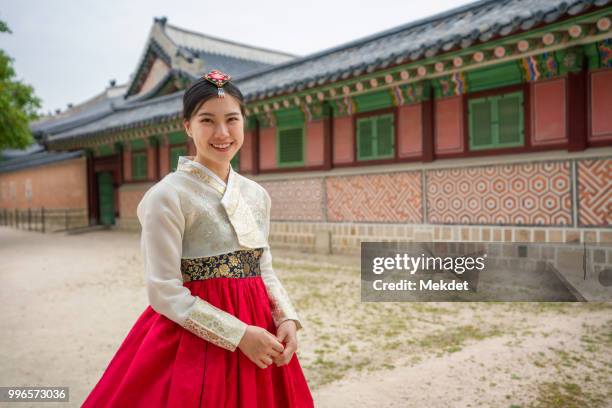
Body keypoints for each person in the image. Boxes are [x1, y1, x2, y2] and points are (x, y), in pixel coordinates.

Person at [82, 70, 314, 407]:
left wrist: (286, 318)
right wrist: (237, 335)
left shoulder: (256, 195)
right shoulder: (167, 196)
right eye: (207, 120)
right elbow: (163, 290)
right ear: (188, 126)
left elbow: (263, 267)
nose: (222, 133)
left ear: (244, 123)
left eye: (232, 120)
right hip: (197, 339)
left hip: (260, 331)